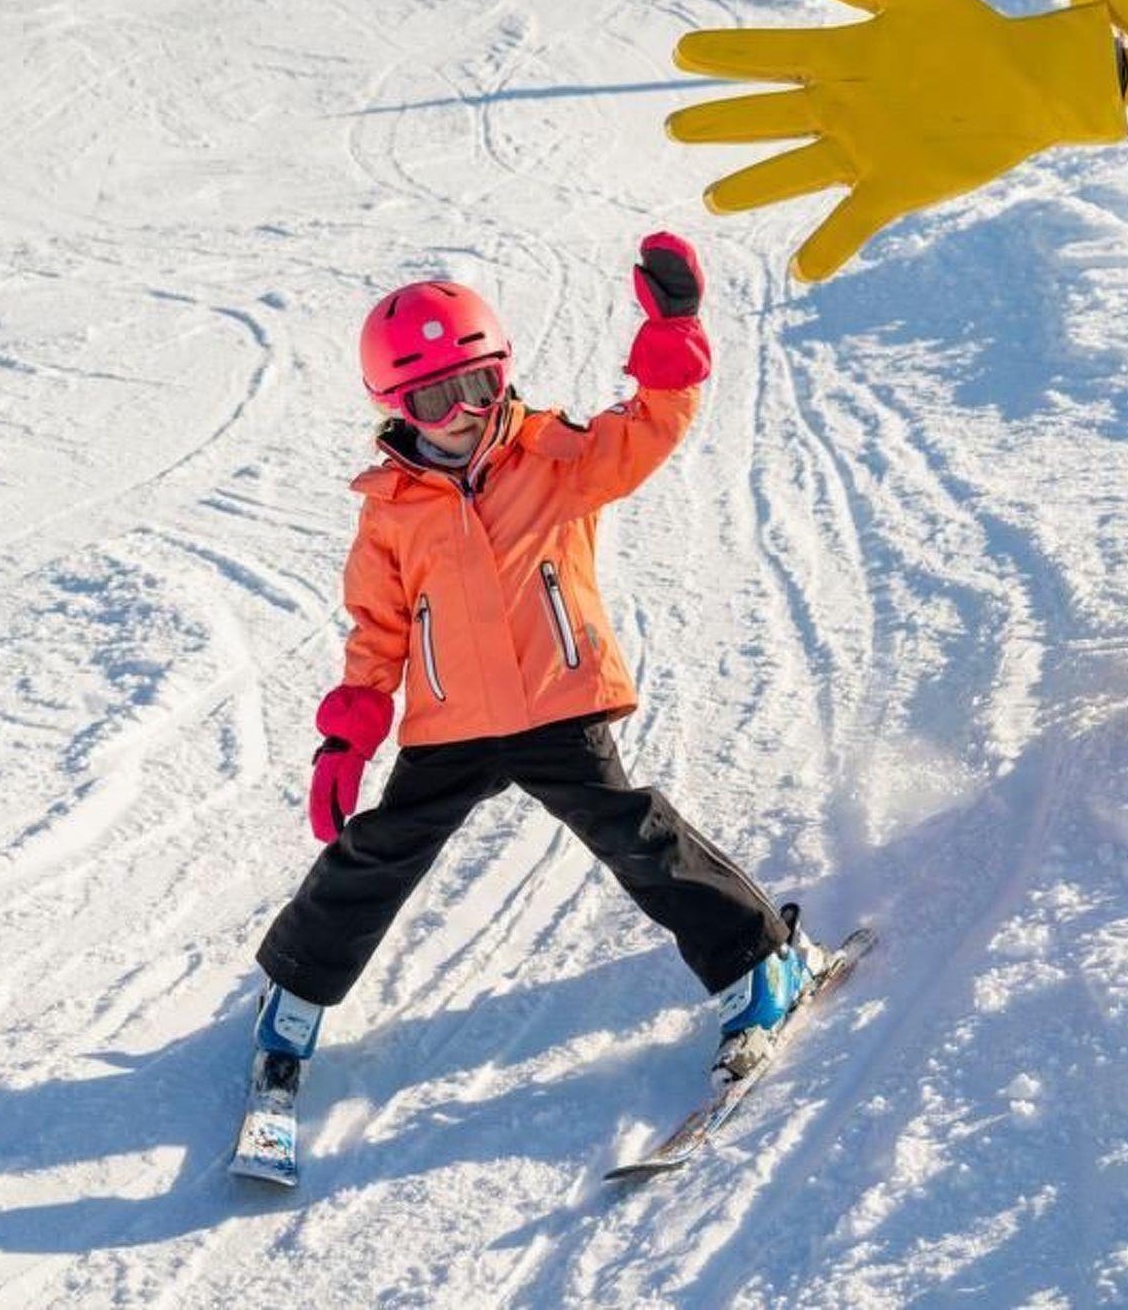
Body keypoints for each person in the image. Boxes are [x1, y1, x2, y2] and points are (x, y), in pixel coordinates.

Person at [251, 234, 829, 1089]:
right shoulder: (391, 510)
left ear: (503, 374)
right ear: (397, 408)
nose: (463, 414)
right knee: (379, 852)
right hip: (452, 724)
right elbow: (378, 628)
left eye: (478, 386)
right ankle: (295, 992)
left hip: (559, 702)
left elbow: (649, 428)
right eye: (435, 399)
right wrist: (351, 734)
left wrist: (671, 335)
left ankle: (762, 961)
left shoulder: (556, 456)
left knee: (635, 836)